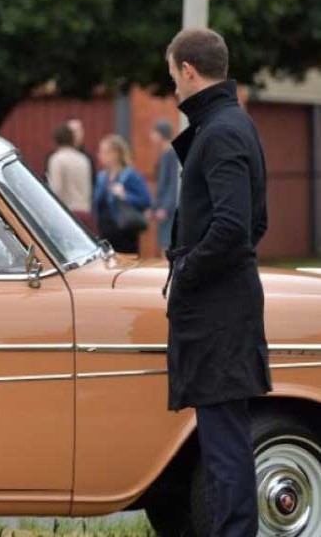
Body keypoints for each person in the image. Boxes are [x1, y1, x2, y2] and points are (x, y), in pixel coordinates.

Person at [165, 27, 271, 537]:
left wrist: (186, 270)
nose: (173, 90)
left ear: (189, 70)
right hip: (224, 309)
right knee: (224, 442)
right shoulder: (234, 125)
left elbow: (233, 228)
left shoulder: (223, 130)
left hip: (218, 315)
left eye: (172, 77)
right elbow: (256, 223)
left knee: (225, 447)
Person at [93, 135, 151, 254]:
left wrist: (125, 195)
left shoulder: (131, 176)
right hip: (105, 233)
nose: (100, 155)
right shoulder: (102, 177)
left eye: (104, 152)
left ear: (115, 154)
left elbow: (145, 200)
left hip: (126, 232)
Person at [46, 124, 93, 230]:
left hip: (67, 213)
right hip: (85, 211)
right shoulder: (83, 159)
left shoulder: (57, 159)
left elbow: (56, 189)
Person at [148, 119, 179, 252]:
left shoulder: (171, 154)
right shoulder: (165, 154)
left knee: (167, 249)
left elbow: (173, 184)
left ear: (161, 134)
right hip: (163, 210)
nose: (151, 136)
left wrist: (165, 208)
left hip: (169, 212)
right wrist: (154, 207)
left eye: (154, 132)